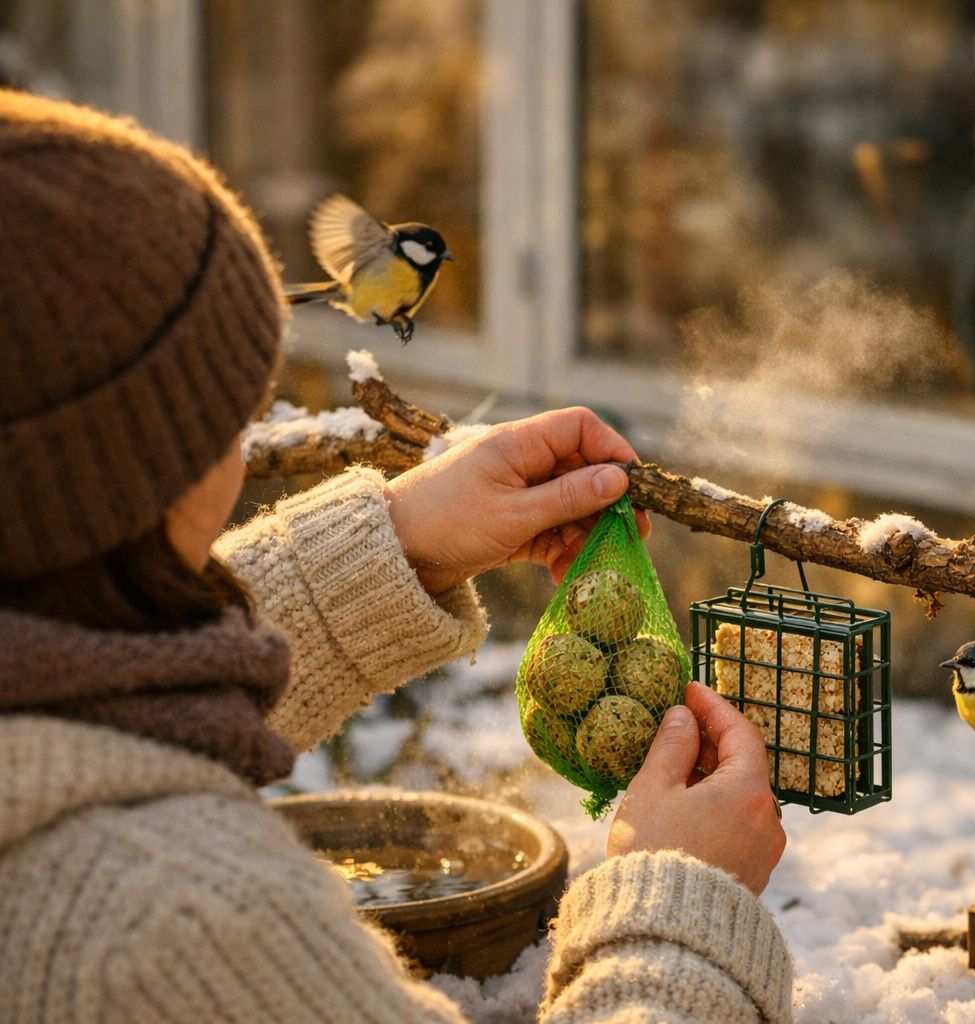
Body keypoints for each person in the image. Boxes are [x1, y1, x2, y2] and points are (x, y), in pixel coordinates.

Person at [0, 90, 790, 1023]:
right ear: (144, 472)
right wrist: (679, 909)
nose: (246, 432)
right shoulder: (182, 929)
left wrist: (397, 546)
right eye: (232, 411)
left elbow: (94, 689)